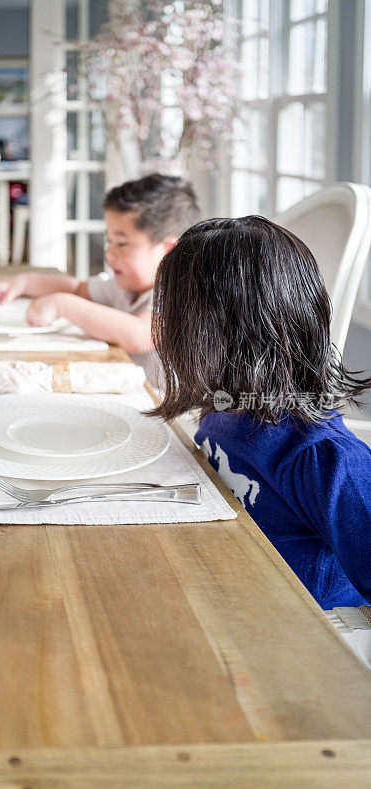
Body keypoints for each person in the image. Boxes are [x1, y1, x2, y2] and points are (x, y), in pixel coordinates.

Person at [150, 215, 371, 610]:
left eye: (176, 315)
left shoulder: (325, 462)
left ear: (230, 334)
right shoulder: (224, 404)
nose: (162, 327)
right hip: (220, 585)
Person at [0, 174, 201, 387]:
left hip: (168, 416)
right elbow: (77, 288)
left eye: (122, 244)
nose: (109, 254)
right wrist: (23, 283)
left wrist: (61, 304)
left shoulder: (176, 293)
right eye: (109, 241)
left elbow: (139, 335)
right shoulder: (127, 286)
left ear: (169, 250)